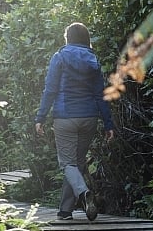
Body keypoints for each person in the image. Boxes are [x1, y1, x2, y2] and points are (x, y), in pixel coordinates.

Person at [34, 22, 114, 221]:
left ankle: (84, 193)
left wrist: (40, 117)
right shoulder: (93, 59)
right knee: (76, 163)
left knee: (67, 163)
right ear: (86, 39)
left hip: (65, 117)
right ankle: (65, 211)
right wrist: (108, 123)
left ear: (67, 38)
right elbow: (100, 94)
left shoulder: (59, 57)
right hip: (89, 117)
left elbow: (50, 90)